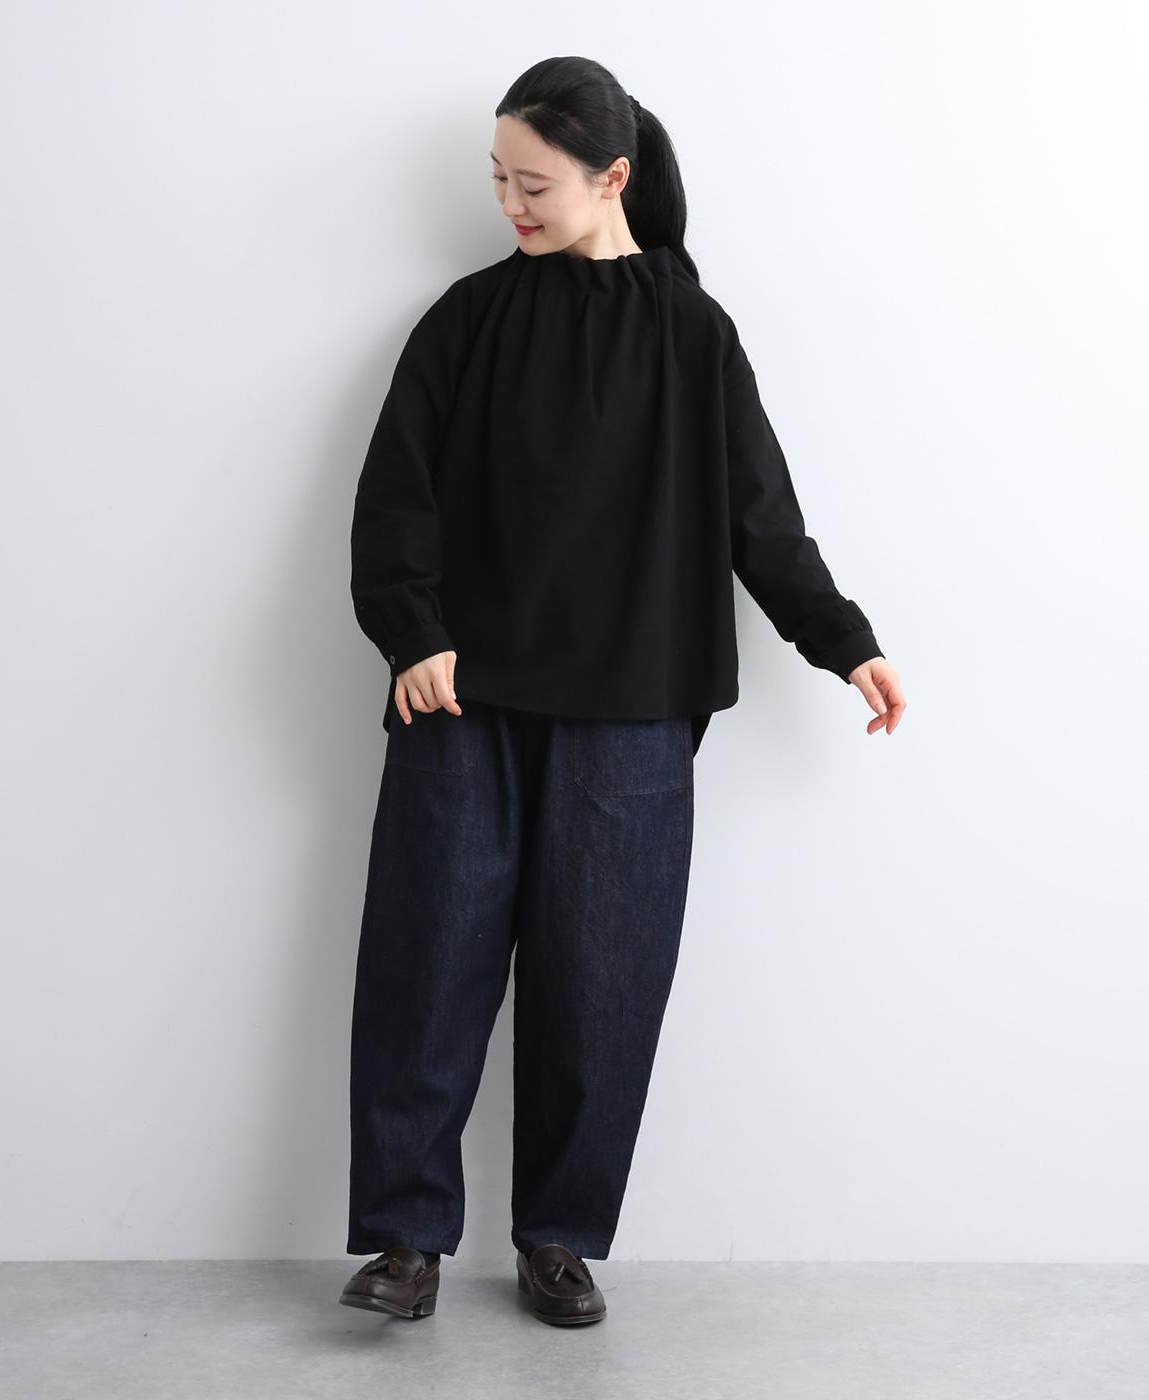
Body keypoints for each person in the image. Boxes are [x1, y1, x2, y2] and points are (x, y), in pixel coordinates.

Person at [339, 56, 906, 1328]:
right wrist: (411, 634)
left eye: (532, 183)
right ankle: (406, 1238)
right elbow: (394, 497)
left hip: (635, 710)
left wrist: (844, 641)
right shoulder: (466, 321)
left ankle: (559, 1235)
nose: (509, 204)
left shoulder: (694, 335)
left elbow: (762, 519)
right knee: (424, 970)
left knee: (602, 987)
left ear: (613, 178)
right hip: (461, 702)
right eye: (497, 179)